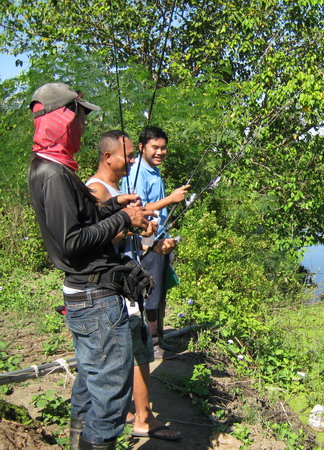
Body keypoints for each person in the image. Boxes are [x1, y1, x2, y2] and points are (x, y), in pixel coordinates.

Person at [27, 82, 156, 450]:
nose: (84, 128)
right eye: (81, 119)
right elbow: (72, 243)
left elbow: (81, 221)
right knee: (112, 395)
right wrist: (124, 221)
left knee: (90, 379)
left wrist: (115, 207)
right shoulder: (52, 174)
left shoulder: (55, 167)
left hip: (87, 294)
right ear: (64, 121)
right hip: (94, 297)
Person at [86, 130, 181, 441]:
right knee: (115, 359)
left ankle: (141, 417)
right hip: (106, 291)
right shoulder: (95, 191)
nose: (132, 161)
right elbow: (89, 243)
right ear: (108, 156)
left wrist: (150, 243)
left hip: (127, 281)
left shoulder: (116, 190)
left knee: (139, 351)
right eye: (129, 156)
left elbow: (124, 242)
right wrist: (128, 221)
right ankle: (110, 424)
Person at [124, 126, 190, 359]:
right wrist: (171, 199)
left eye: (163, 148)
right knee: (151, 291)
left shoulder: (152, 171)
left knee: (159, 290)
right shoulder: (137, 173)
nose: (160, 152)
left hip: (158, 237)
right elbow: (137, 212)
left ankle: (158, 338)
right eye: (155, 147)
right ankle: (152, 345)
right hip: (145, 239)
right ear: (142, 147)